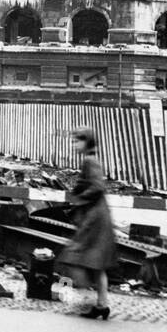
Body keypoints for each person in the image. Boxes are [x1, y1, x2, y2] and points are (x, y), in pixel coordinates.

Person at [57, 128, 117, 319]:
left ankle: (86, 301)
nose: (74, 145)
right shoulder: (92, 159)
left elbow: (98, 187)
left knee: (74, 254)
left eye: (76, 141)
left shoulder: (89, 161)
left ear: (86, 142)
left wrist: (80, 198)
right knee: (97, 263)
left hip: (94, 216)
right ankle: (102, 305)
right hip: (100, 214)